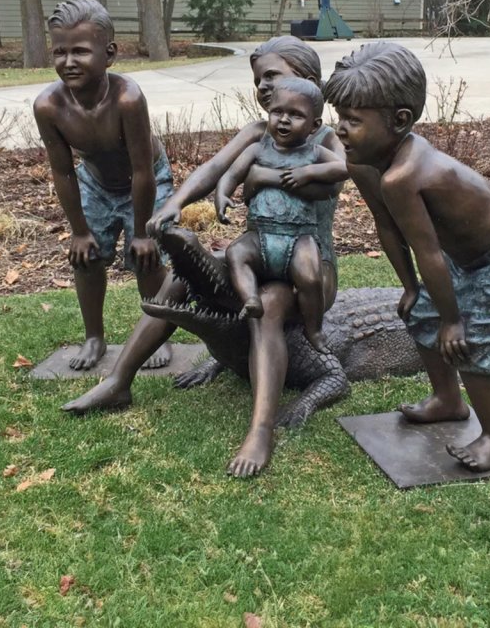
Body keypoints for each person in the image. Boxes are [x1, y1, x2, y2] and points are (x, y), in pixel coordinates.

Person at [62, 37, 345, 479]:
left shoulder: (325, 141)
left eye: (274, 76)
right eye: (258, 81)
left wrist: (258, 174)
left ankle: (261, 429)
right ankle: (119, 380)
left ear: (309, 84)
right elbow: (214, 170)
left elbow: (322, 184)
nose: (264, 88)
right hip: (258, 252)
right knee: (184, 275)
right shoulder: (259, 132)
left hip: (308, 266)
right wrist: (175, 203)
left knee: (269, 303)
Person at [326, 42, 490, 472]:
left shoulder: (406, 173)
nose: (340, 130)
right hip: (465, 257)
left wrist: (453, 319)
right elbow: (387, 227)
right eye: (340, 117)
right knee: (421, 313)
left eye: (353, 121)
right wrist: (411, 288)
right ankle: (448, 400)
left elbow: (427, 249)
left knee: (471, 340)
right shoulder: (364, 164)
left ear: (400, 121)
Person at [33, 0, 172, 372]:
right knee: (87, 258)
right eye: (59, 52)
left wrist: (143, 232)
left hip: (145, 180)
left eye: (80, 51)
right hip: (95, 183)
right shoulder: (48, 106)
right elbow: (62, 172)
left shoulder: (128, 98)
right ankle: (94, 336)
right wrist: (79, 230)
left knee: (147, 257)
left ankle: (154, 330)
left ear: (108, 54)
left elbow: (143, 169)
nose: (68, 61)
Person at [215, 78, 347, 352]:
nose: (283, 120)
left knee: (310, 277)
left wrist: (309, 172)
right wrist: (222, 194)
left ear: (314, 125)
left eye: (296, 115)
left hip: (299, 238)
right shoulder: (257, 149)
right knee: (236, 254)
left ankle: (314, 329)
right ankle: (250, 298)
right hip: (259, 235)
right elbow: (232, 173)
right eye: (277, 112)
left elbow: (345, 168)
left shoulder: (315, 153)